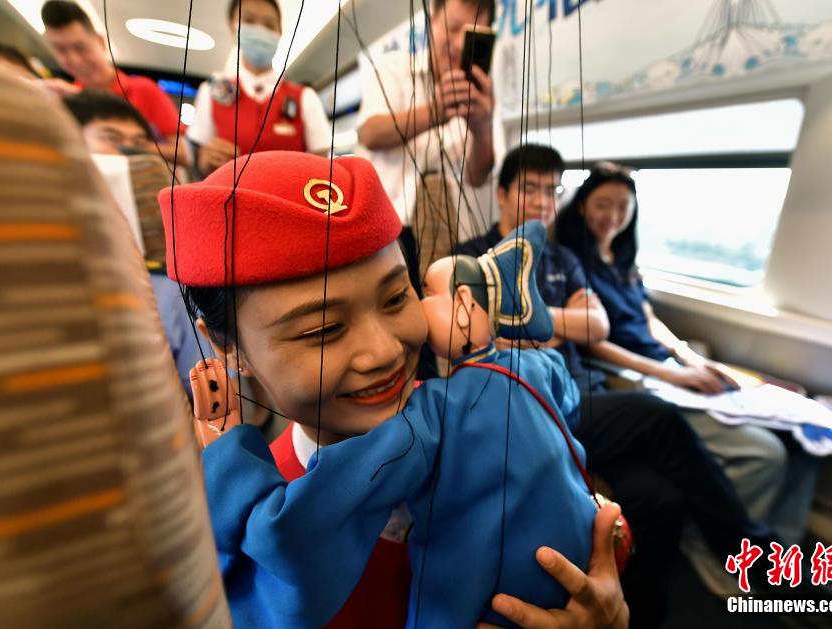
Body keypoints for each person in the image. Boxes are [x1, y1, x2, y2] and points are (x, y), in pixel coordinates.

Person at [159, 150, 629, 628]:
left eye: (397, 297)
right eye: (322, 330)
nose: (384, 352)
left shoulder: (467, 413)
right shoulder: (241, 524)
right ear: (226, 346)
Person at [455, 144, 782, 627]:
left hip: (578, 392)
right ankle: (756, 557)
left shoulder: (562, 257)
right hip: (525, 403)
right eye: (530, 189)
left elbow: (598, 326)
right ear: (501, 194)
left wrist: (526, 319)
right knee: (658, 417)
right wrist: (562, 323)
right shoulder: (471, 258)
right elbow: (479, 336)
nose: (543, 201)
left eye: (552, 190)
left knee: (660, 500)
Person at [554, 164, 819, 548]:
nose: (613, 215)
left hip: (665, 366)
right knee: (766, 454)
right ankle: (721, 550)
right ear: (581, 206)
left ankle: (780, 551)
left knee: (801, 437)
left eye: (623, 206)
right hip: (634, 374)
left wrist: (687, 357)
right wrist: (671, 374)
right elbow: (592, 342)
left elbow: (647, 319)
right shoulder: (571, 263)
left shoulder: (623, 260)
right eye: (603, 204)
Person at [63, 89, 211, 396]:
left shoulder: (174, 277)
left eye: (140, 143)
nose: (129, 152)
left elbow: (210, 387)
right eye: (112, 139)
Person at [357, 0, 503, 276]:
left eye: (470, 35)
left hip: (451, 237)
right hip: (383, 232)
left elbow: (477, 176)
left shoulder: (482, 94)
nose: (458, 43)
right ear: (433, 19)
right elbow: (370, 133)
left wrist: (483, 128)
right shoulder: (392, 68)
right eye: (453, 28)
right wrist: (435, 112)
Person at [188, 0, 333, 176]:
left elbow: (321, 167)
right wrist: (207, 158)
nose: (260, 30)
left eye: (269, 25)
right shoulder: (211, 92)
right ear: (232, 27)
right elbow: (200, 162)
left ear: (280, 32)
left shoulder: (305, 97)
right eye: (249, 20)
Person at [40, 0, 188, 168]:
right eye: (61, 50)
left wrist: (124, 145)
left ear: (101, 43)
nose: (74, 59)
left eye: (80, 47)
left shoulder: (144, 89)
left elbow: (182, 154)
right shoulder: (67, 99)